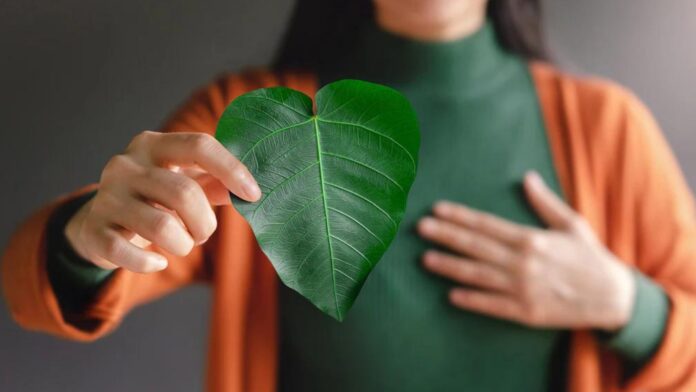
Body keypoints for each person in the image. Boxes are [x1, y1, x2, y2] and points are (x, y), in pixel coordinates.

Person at [3, 0, 696, 391]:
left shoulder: (607, 130)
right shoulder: (254, 118)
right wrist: (91, 234)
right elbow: (50, 280)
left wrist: (625, 303)